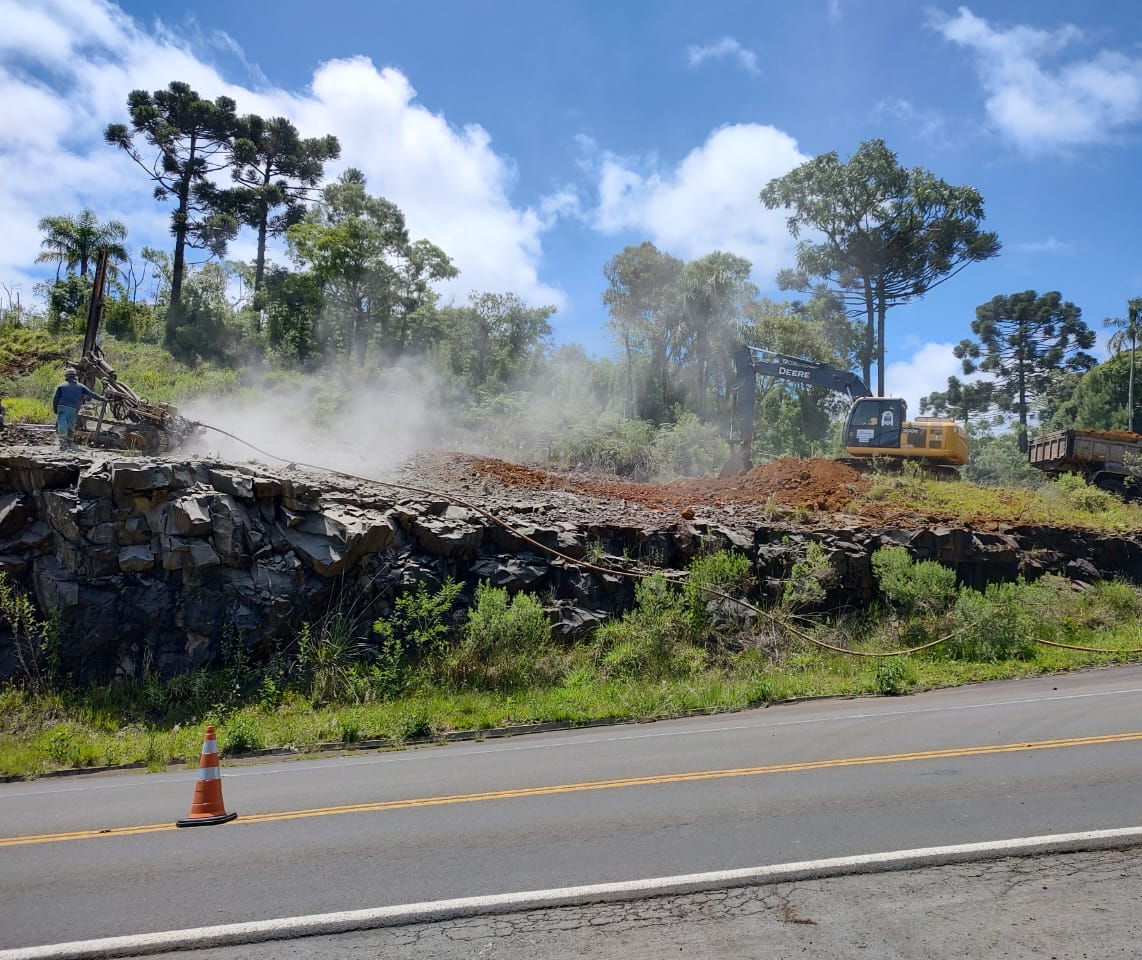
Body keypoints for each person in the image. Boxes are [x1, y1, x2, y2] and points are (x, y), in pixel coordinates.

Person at [52, 368, 104, 451]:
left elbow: (55, 399)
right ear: (75, 376)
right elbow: (92, 394)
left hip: (62, 407)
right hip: (74, 409)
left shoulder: (61, 386)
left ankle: (63, 443)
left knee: (62, 423)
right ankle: (70, 442)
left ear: (66, 376)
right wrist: (103, 398)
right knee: (71, 425)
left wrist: (55, 409)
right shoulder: (80, 386)